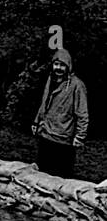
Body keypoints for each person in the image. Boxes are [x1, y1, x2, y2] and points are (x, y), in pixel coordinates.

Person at [32, 49, 89, 178]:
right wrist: (36, 121)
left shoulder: (77, 85)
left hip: (63, 138)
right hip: (45, 133)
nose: (59, 68)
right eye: (56, 64)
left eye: (62, 65)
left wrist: (80, 136)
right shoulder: (50, 79)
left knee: (61, 176)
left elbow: (82, 113)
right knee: (42, 174)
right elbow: (44, 102)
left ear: (68, 66)